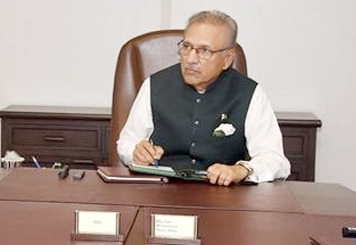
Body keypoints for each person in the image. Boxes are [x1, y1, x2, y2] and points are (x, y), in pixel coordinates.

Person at [116, 10, 290, 185]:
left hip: (223, 197)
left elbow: (276, 160)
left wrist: (241, 170)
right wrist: (136, 152)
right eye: (186, 47)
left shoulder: (249, 93)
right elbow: (126, 143)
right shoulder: (154, 85)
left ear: (227, 59)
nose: (191, 59)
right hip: (162, 190)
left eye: (204, 51)